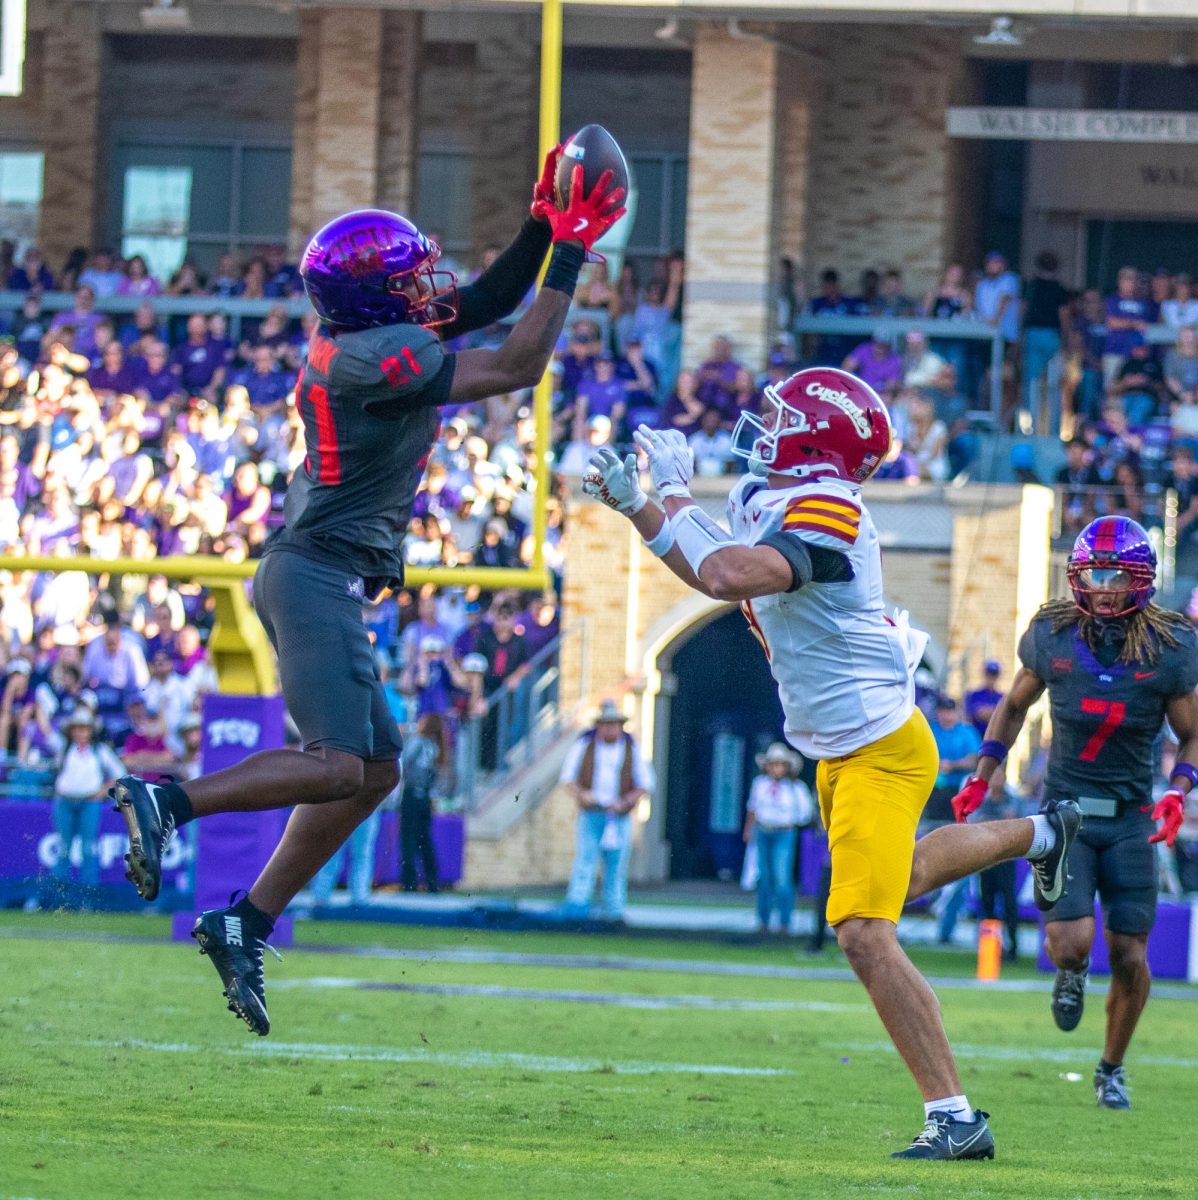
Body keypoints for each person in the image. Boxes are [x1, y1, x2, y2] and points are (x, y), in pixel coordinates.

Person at [109, 148, 627, 1036]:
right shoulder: (371, 360)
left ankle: (247, 919)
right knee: (338, 763)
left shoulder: (373, 336)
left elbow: (490, 303)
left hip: (321, 571)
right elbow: (514, 365)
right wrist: (572, 250)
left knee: (376, 771)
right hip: (315, 573)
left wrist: (542, 222)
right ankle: (170, 800)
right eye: (413, 275)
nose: (432, 282)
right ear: (380, 300)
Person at [582, 366, 1080, 1159]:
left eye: (784, 416)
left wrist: (671, 489)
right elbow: (708, 564)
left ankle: (955, 1117)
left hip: (878, 748)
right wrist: (640, 506)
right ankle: (1043, 835)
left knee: (861, 931)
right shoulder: (765, 499)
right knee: (904, 879)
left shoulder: (831, 508)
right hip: (840, 748)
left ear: (818, 440)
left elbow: (725, 573)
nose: (765, 425)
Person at [955, 516, 1198, 1111]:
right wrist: (983, 773)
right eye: (1094, 572)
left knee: (1131, 955)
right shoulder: (1053, 635)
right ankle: (1069, 975)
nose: (1106, 585)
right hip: (1064, 813)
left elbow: (1192, 735)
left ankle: (1111, 1067)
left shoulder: (1169, 648)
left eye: (1117, 574)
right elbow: (1013, 707)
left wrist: (1178, 791)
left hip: (1131, 816)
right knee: (1070, 947)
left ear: (1141, 579)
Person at [559, 699, 653, 921]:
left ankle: (614, 910)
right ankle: (577, 907)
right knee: (585, 860)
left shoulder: (632, 749)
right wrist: (583, 795)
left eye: (613, 724)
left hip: (618, 816)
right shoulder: (584, 746)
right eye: (605, 724)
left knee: (616, 865)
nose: (609, 728)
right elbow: (568, 779)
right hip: (592, 812)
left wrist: (625, 801)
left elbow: (645, 784)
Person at [742, 742, 814, 933]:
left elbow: (805, 813)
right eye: (773, 764)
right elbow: (753, 808)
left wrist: (790, 821)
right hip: (763, 831)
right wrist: (749, 830)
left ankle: (785, 921)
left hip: (784, 833)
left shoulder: (795, 788)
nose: (776, 769)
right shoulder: (760, 784)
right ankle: (763, 921)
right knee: (764, 877)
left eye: (780, 765)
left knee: (782, 877)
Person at [50, 711, 125, 892]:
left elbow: (120, 773)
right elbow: (47, 735)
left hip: (89, 802)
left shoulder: (100, 751)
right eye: (77, 729)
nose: (80, 733)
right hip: (65, 801)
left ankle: (89, 891)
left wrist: (103, 790)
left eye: (84, 729)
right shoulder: (65, 748)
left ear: (91, 731)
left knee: (88, 847)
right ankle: (60, 892)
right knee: (64, 847)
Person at [399, 712, 445, 892]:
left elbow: (405, 766)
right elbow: (435, 777)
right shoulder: (436, 748)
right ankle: (432, 881)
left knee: (408, 841)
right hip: (425, 798)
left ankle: (409, 883)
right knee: (425, 840)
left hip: (411, 796)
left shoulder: (418, 743)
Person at [964, 660, 1004, 738]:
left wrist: (989, 712)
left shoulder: (1002, 697)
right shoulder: (974, 695)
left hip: (995, 737)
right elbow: (978, 713)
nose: (991, 677)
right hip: (976, 737)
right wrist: (997, 712)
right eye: (988, 674)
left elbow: (1004, 718)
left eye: (994, 674)